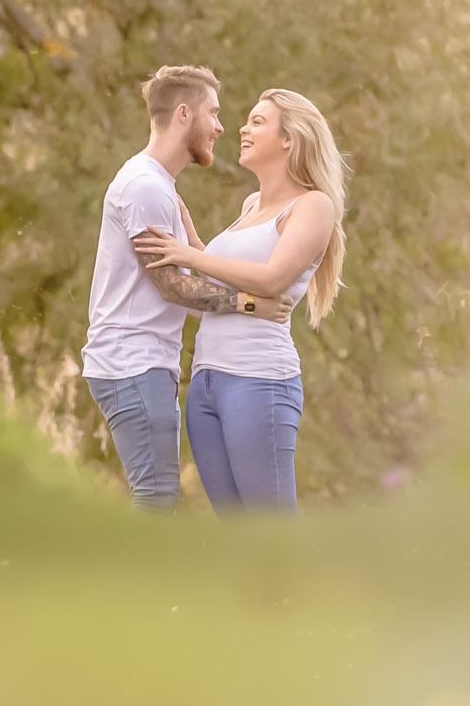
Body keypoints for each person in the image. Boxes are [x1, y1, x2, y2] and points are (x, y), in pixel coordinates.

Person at [80, 66, 294, 510]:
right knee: (155, 497)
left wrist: (196, 246)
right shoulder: (145, 187)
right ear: (183, 114)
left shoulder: (157, 186)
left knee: (157, 494)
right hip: (131, 362)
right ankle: (133, 582)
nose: (220, 127)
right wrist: (251, 304)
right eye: (212, 113)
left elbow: (184, 283)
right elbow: (174, 288)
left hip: (140, 362)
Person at [133, 89, 349, 513]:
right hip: (206, 383)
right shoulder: (251, 204)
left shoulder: (313, 206)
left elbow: (272, 279)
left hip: (259, 381)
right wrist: (191, 239)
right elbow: (217, 280)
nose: (242, 130)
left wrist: (190, 253)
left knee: (269, 530)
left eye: (257, 122)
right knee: (236, 532)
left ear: (289, 138)